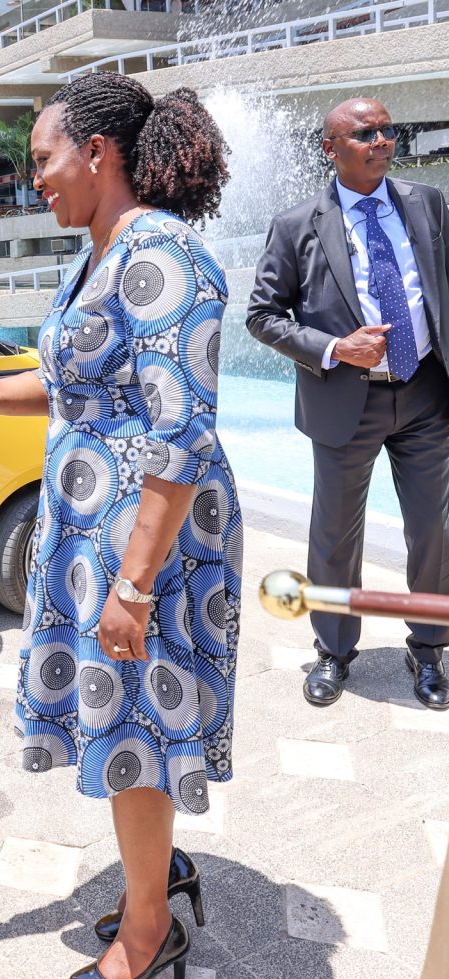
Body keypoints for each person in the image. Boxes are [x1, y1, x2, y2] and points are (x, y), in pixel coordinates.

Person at [0, 72, 239, 979]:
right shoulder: (99, 252)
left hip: (146, 543)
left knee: (136, 719)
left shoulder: (162, 252)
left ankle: (151, 929)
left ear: (97, 154)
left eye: (44, 159)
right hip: (95, 534)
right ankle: (156, 873)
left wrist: (134, 585)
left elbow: (184, 432)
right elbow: (66, 387)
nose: (35, 180)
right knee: (123, 713)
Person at [246, 97, 449, 712]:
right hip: (344, 402)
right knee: (335, 535)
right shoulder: (296, 225)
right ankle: (334, 652)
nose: (381, 141)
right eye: (365, 133)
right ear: (331, 149)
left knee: (436, 531)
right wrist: (336, 348)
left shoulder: (428, 203)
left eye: (387, 130)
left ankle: (429, 649)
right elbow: (262, 315)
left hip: (425, 394)